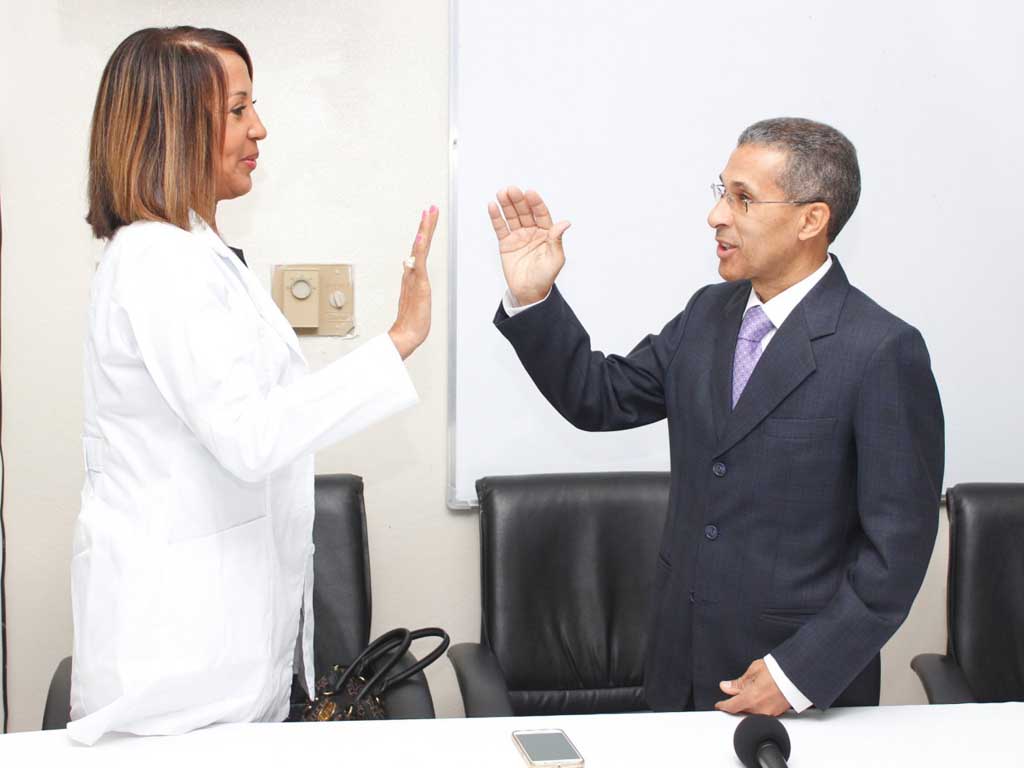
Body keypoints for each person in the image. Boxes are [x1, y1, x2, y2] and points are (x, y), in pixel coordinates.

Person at [488, 117, 944, 715]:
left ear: (812, 219)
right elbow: (598, 397)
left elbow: (896, 554)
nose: (717, 216)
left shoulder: (881, 350)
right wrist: (534, 297)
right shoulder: (708, 314)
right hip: (677, 668)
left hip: (799, 688)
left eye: (743, 199)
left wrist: (799, 674)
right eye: (721, 192)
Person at [69, 26, 439, 744]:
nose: (259, 129)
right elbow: (253, 434)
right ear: (175, 125)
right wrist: (396, 342)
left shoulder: (197, 254)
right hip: (174, 687)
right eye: (238, 110)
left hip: (217, 673)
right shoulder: (157, 263)